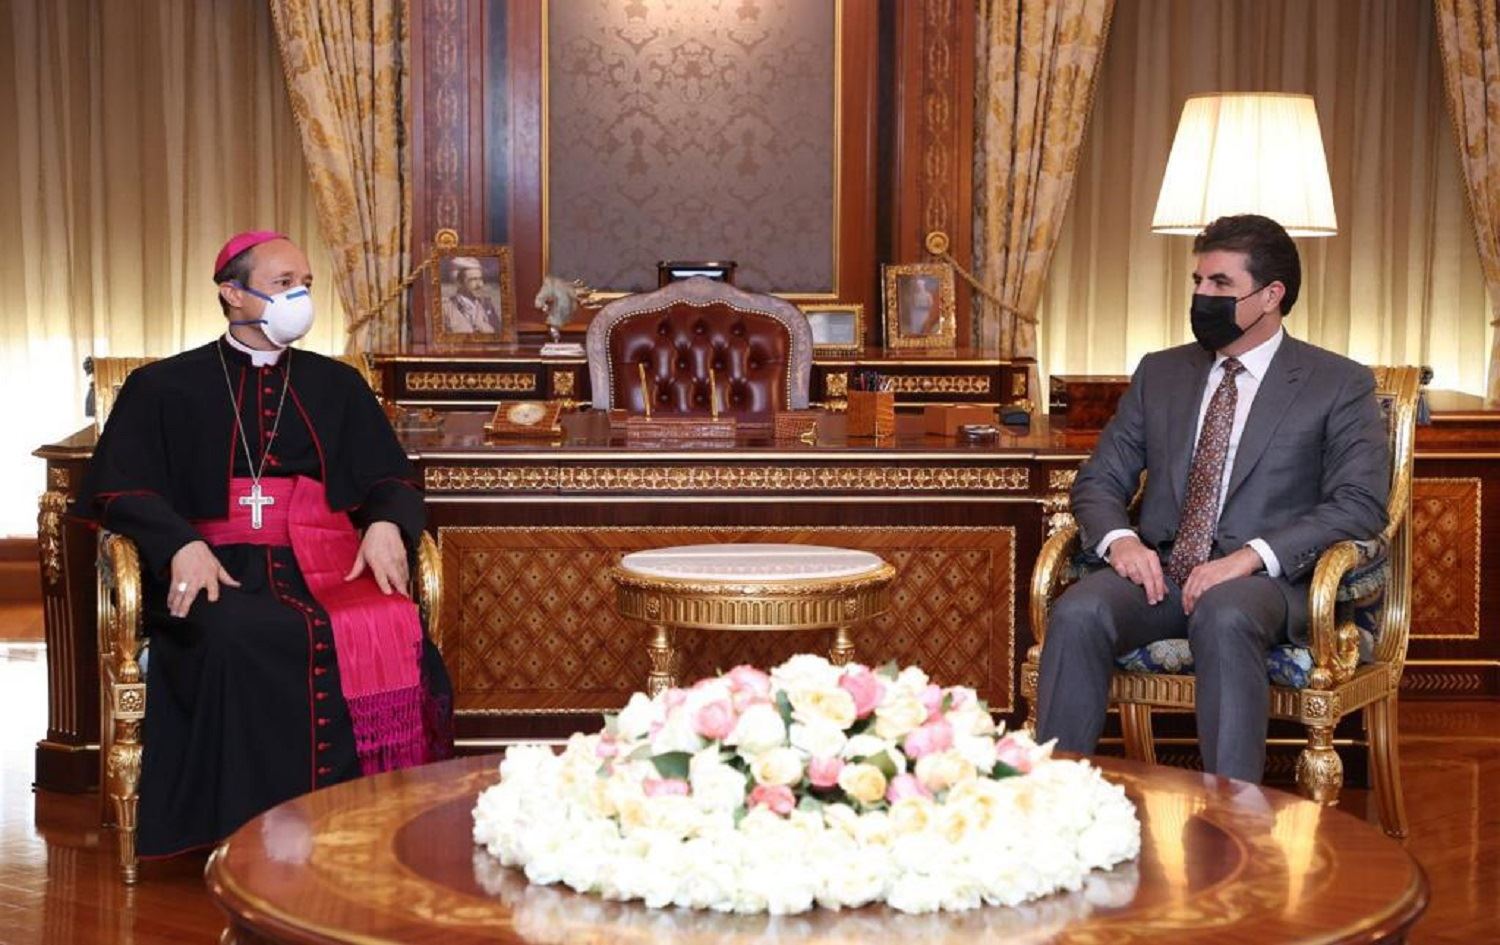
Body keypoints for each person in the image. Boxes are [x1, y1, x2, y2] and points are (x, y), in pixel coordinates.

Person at [74, 231, 454, 858]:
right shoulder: (163, 386)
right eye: (283, 284)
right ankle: (246, 836)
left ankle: (366, 820)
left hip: (326, 560)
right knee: (234, 633)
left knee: (391, 621)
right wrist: (179, 543)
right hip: (214, 564)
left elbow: (391, 477)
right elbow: (118, 490)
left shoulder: (338, 386)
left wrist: (388, 522)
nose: (300, 296)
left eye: (305, 283)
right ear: (234, 294)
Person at [1035, 214, 1389, 783]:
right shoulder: (1162, 372)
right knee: (1079, 611)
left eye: (1220, 284)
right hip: (1163, 574)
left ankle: (1233, 816)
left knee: (1225, 613)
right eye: (1198, 281)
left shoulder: (1337, 383)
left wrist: (1249, 557)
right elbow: (1100, 479)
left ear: (1271, 295)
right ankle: (1055, 800)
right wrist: (1121, 541)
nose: (1202, 295)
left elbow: (1359, 503)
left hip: (1267, 583)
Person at [443, 256, 501, 333]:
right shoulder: (446, 308)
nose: (480, 285)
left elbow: (499, 333)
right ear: (459, 282)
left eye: (480, 279)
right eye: (473, 280)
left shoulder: (487, 305)